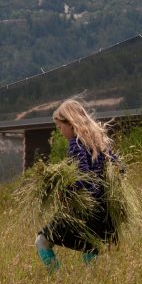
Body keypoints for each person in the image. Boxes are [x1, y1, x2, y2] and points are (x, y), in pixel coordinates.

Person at [35, 98, 119, 273]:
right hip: (103, 212)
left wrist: (63, 191)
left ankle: (57, 281)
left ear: (71, 124)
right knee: (90, 248)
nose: (61, 132)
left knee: (42, 240)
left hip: (84, 210)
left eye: (60, 127)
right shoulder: (100, 143)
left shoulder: (76, 144)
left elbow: (82, 177)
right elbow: (120, 169)